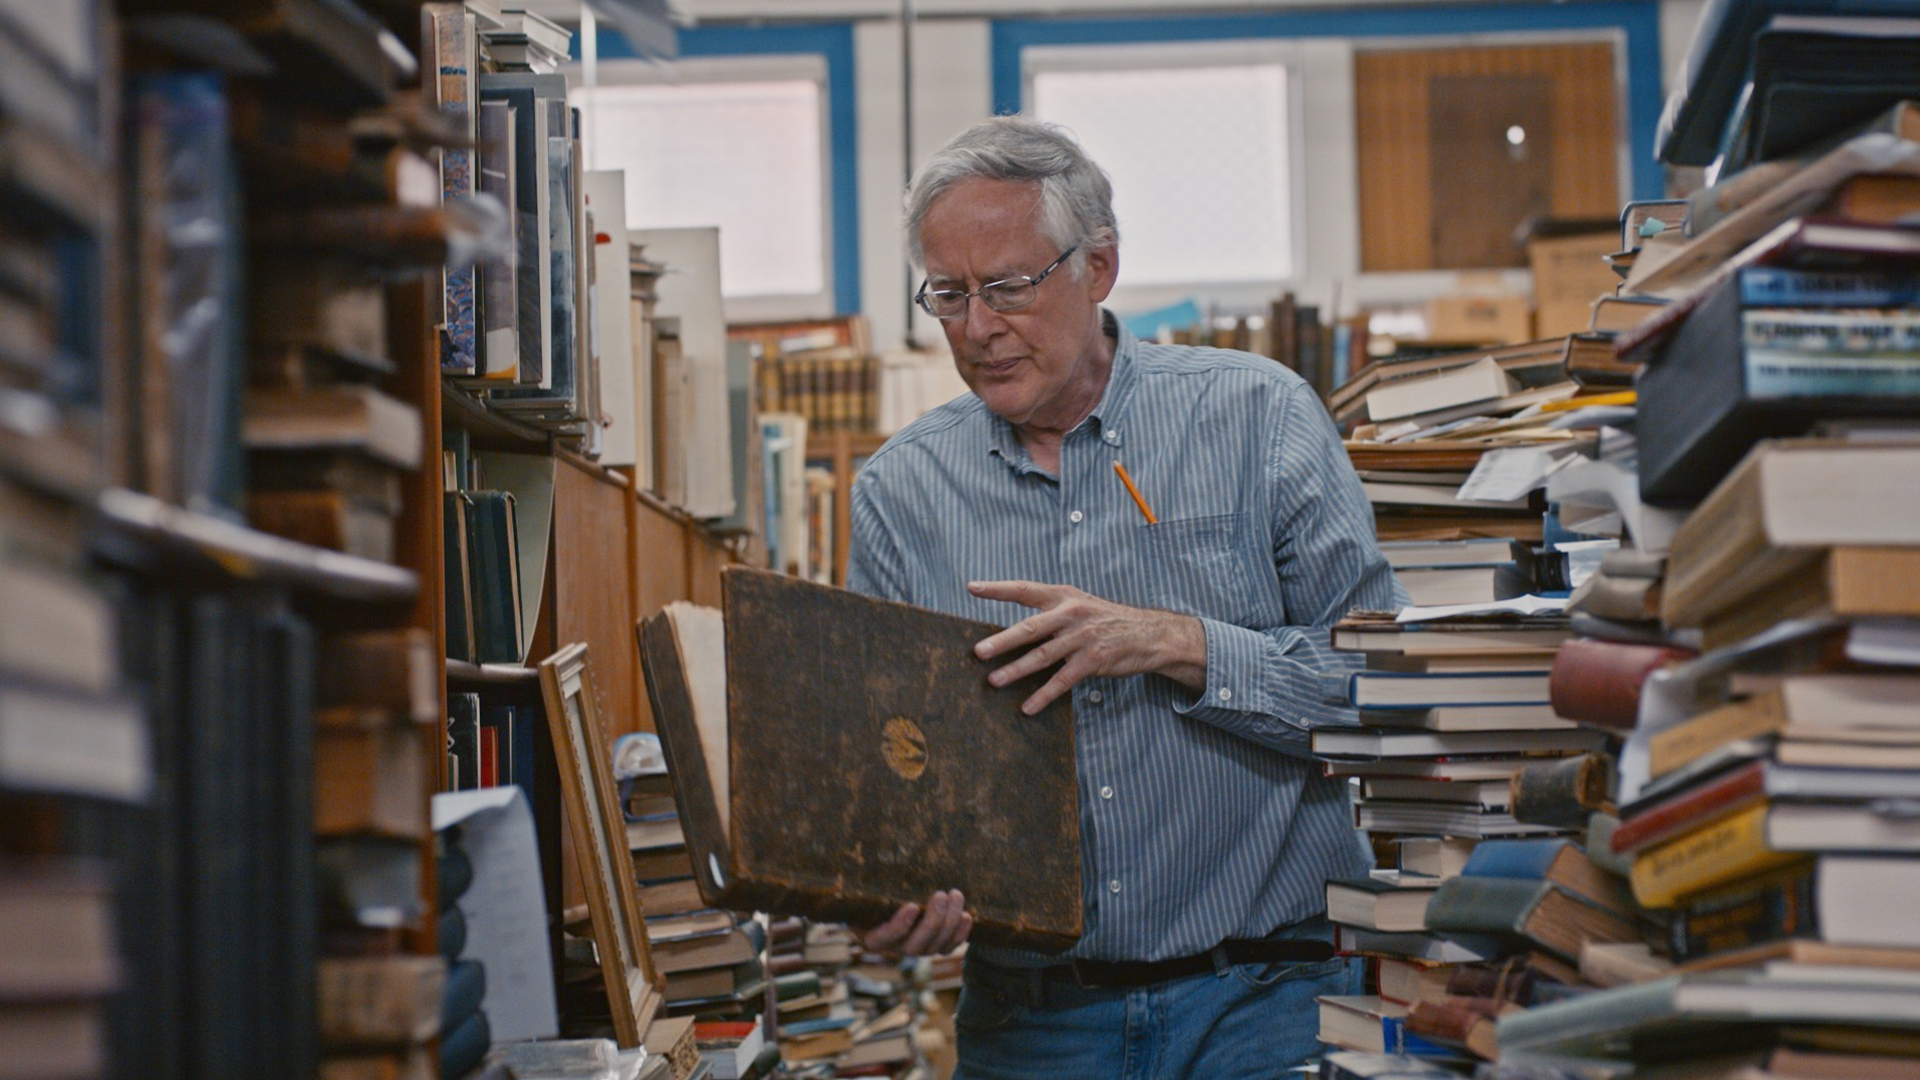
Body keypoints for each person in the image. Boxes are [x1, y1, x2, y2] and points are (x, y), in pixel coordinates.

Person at [844, 116, 1402, 1079]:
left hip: (1270, 999)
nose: (978, 328)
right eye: (949, 294)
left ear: (1098, 266)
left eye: (1010, 286)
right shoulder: (898, 494)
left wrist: (1177, 642)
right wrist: (894, 893)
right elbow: (893, 773)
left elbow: (1378, 694)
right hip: (1032, 1025)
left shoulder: (1258, 419)